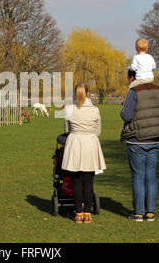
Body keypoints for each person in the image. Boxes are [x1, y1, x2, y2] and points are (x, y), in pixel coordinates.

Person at [120, 69, 159, 222]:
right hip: (156, 137)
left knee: (138, 176)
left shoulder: (134, 91)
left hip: (138, 138)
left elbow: (126, 115)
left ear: (132, 77)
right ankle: (151, 212)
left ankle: (139, 212)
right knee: (151, 175)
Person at [62, 82, 106, 223]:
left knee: (76, 181)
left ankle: (78, 213)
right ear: (88, 94)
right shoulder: (95, 110)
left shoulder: (69, 109)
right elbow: (98, 131)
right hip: (89, 144)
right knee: (88, 181)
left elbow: (67, 129)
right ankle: (87, 213)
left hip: (75, 143)